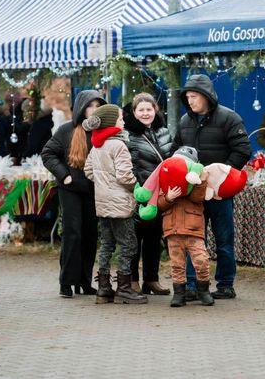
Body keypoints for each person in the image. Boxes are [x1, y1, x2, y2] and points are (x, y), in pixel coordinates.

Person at [174, 74, 252, 300]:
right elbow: (176, 150)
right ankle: (192, 285)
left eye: (194, 96)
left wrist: (221, 176)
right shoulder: (184, 121)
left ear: (206, 96)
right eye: (188, 97)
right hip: (193, 193)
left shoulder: (229, 118)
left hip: (219, 193)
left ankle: (226, 284)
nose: (190, 101)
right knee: (193, 239)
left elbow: (243, 150)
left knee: (224, 239)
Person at [41, 90, 105, 298]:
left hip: (93, 190)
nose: (93, 110)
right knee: (73, 233)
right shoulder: (67, 130)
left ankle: (85, 281)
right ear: (81, 108)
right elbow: (48, 153)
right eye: (90, 106)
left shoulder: (103, 131)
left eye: (97, 106)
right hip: (70, 190)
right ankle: (67, 282)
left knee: (90, 235)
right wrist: (64, 175)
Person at [84, 104, 147, 305]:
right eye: (120, 118)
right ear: (111, 122)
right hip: (120, 204)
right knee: (129, 244)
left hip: (103, 203)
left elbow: (88, 171)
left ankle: (103, 288)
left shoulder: (97, 145)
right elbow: (125, 176)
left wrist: (104, 185)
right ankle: (124, 288)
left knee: (107, 244)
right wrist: (138, 188)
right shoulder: (119, 145)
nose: (123, 121)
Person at [124, 93, 173, 295]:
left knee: (153, 238)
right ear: (134, 112)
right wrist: (135, 188)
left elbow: (170, 159)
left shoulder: (164, 132)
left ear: (155, 110)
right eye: (141, 110)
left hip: (159, 194)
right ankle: (133, 280)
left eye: (149, 109)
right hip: (138, 192)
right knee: (134, 239)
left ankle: (151, 280)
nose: (145, 113)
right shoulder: (128, 135)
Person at [157, 150, 214, 307]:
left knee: (201, 261)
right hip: (173, 230)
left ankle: (203, 291)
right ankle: (179, 294)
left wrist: (200, 182)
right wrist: (168, 198)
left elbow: (198, 198)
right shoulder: (166, 181)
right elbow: (159, 204)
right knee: (177, 264)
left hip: (193, 229)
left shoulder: (196, 181)